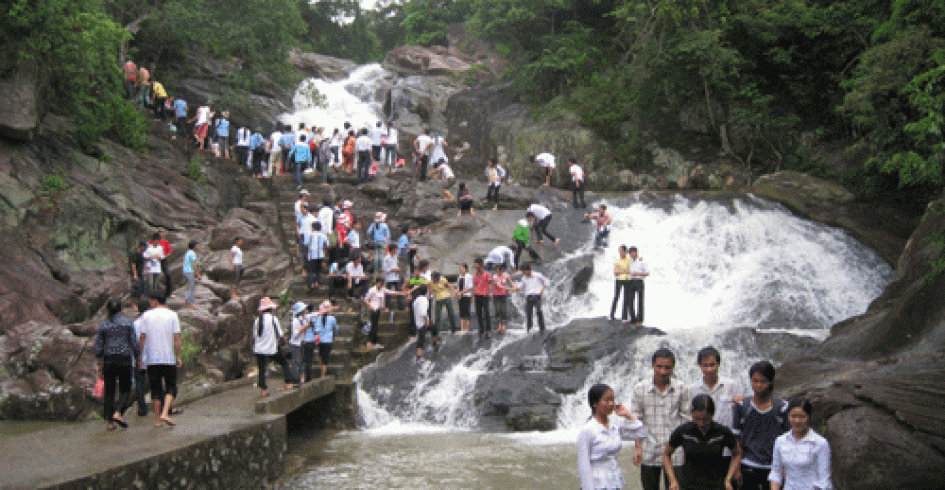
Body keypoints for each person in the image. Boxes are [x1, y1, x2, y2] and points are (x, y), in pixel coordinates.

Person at [631, 348, 691, 490]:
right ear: (653, 365)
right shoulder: (640, 389)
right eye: (659, 366)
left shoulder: (681, 389)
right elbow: (636, 422)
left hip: (674, 453)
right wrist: (638, 448)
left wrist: (687, 450)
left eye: (667, 367)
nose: (663, 371)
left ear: (673, 367)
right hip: (649, 450)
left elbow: (687, 421)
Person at [732, 361, 791, 490]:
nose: (758, 385)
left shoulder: (782, 408)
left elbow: (789, 439)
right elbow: (737, 440)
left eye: (763, 381)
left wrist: (785, 467)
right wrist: (736, 469)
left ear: (771, 381)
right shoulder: (742, 406)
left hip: (774, 468)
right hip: (748, 465)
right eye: (755, 381)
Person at [577, 383, 647, 490]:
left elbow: (642, 433)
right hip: (597, 483)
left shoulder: (615, 425)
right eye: (606, 400)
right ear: (595, 403)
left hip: (614, 480)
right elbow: (584, 465)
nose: (611, 404)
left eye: (612, 400)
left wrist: (628, 415)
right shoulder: (588, 430)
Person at [663, 394, 740, 490]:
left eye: (706, 419)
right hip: (689, 485)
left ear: (712, 415)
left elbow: (737, 454)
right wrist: (672, 480)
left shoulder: (722, 432)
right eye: (697, 419)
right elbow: (666, 454)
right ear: (692, 414)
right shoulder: (684, 431)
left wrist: (728, 479)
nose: (701, 423)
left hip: (716, 485)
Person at [95, 298, 140, 431]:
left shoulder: (103, 325)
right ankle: (118, 412)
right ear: (121, 309)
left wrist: (99, 364)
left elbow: (99, 347)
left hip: (108, 360)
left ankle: (110, 422)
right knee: (126, 389)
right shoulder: (128, 323)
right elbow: (134, 342)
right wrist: (138, 356)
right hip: (124, 359)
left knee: (109, 391)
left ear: (107, 310)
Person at [138, 292, 182, 428]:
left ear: (155, 301)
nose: (150, 303)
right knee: (171, 388)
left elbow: (142, 338)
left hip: (152, 359)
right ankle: (165, 413)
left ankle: (158, 420)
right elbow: (176, 338)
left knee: (155, 389)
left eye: (151, 301)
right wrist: (178, 356)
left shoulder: (146, 316)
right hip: (168, 358)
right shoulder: (172, 315)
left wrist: (140, 356)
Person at [769, 399, 832, 490]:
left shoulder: (820, 443)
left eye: (802, 417)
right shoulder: (780, 441)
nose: (797, 421)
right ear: (788, 416)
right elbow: (776, 472)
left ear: (809, 417)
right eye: (793, 416)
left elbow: (824, 480)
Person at [253, 297, 296, 396]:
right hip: (271, 348)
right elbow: (280, 334)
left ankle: (263, 391)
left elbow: (255, 335)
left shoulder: (257, 320)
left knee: (261, 369)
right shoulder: (273, 319)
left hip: (259, 349)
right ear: (271, 309)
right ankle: (289, 383)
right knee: (284, 363)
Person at [364, 278, 404, 349]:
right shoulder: (372, 290)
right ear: (376, 283)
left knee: (376, 326)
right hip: (373, 309)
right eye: (379, 283)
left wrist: (402, 293)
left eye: (381, 284)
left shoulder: (383, 290)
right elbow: (366, 299)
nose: (380, 285)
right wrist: (371, 306)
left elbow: (391, 292)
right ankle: (370, 342)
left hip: (378, 309)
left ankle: (375, 342)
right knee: (374, 326)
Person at [131, 298, 151, 416]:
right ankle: (162, 405)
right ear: (148, 308)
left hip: (138, 357)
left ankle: (142, 408)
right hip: (152, 356)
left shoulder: (135, 323)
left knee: (139, 383)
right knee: (156, 381)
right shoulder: (152, 322)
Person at [517, 264, 549, 334]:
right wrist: (510, 288)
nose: (523, 273)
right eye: (522, 272)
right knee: (529, 313)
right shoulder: (524, 278)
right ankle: (529, 330)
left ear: (528, 270)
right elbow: (520, 287)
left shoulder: (537, 275)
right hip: (529, 297)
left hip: (537, 296)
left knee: (539, 311)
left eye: (524, 271)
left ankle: (542, 329)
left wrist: (543, 289)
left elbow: (546, 281)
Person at [312, 300, 340, 378]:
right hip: (328, 340)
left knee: (321, 355)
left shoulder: (318, 318)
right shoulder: (332, 318)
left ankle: (322, 370)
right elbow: (335, 329)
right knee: (326, 357)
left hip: (320, 340)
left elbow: (315, 329)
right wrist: (334, 336)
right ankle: (323, 374)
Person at [413, 285, 436, 358]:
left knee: (421, 338)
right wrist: (426, 321)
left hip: (418, 322)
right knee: (422, 338)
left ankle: (419, 355)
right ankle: (434, 344)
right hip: (423, 322)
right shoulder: (424, 300)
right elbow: (423, 312)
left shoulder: (416, 300)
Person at [628, 246, 649, 328]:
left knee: (640, 301)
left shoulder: (642, 262)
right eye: (630, 253)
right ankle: (632, 318)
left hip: (639, 281)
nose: (631, 255)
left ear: (636, 252)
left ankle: (639, 320)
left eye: (633, 253)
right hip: (631, 281)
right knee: (630, 300)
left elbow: (647, 273)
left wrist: (638, 273)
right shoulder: (630, 262)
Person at [305, 222, 329, 290]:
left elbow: (306, 246)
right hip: (320, 255)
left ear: (313, 228)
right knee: (318, 270)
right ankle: (317, 282)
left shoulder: (309, 235)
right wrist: (325, 256)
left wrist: (306, 254)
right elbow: (326, 246)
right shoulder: (323, 235)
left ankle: (311, 283)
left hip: (311, 255)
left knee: (310, 270)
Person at [472, 258, 492, 339]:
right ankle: (481, 329)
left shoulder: (487, 274)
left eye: (476, 264)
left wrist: (489, 293)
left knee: (486, 313)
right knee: (479, 313)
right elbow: (475, 285)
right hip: (477, 296)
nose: (475, 266)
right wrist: (473, 296)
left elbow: (490, 284)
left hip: (484, 296)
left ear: (480, 265)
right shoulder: (475, 275)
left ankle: (488, 330)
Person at [611, 245, 632, 322]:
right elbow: (615, 272)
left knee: (626, 298)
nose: (620, 252)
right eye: (619, 251)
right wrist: (624, 271)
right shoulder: (617, 260)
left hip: (627, 280)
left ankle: (624, 317)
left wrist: (620, 270)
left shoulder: (629, 260)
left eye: (621, 251)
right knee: (616, 296)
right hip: (619, 280)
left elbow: (631, 271)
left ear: (625, 251)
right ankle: (612, 315)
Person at [290, 302, 309, 383]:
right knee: (296, 361)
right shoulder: (295, 321)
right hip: (296, 344)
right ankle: (296, 379)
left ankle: (301, 378)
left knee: (301, 361)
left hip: (301, 343)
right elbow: (295, 334)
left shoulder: (303, 320)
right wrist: (304, 328)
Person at [491, 265, 513, 334]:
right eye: (496, 271)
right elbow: (493, 285)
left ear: (501, 270)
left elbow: (511, 283)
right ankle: (499, 325)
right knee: (497, 310)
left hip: (503, 295)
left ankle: (503, 326)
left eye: (498, 271)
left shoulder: (506, 275)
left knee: (503, 310)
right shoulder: (494, 276)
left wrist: (510, 288)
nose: (497, 272)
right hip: (496, 295)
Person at [152, 229, 173, 299]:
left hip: (163, 259)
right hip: (154, 260)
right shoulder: (152, 242)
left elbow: (169, 252)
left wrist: (163, 257)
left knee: (168, 274)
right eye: (159, 232)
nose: (160, 234)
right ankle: (153, 293)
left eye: (161, 232)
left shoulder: (165, 242)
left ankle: (169, 293)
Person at [382, 244, 404, 310]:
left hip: (396, 277)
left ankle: (401, 306)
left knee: (399, 291)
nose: (396, 250)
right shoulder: (386, 258)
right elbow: (384, 269)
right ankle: (387, 307)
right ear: (392, 249)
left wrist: (398, 269)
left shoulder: (395, 257)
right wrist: (393, 269)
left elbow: (395, 265)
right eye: (395, 249)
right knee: (388, 293)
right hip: (389, 278)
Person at [182, 241, 200, 307]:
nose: (198, 247)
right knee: (192, 287)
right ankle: (190, 303)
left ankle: (186, 300)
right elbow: (194, 264)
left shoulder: (188, 252)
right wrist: (198, 274)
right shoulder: (192, 253)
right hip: (189, 271)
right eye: (197, 245)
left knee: (190, 286)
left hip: (185, 271)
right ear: (194, 246)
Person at [456, 264, 473, 334]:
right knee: (461, 312)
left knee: (467, 311)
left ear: (465, 269)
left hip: (466, 296)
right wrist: (458, 293)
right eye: (460, 268)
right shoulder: (459, 277)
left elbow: (470, 287)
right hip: (460, 296)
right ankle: (462, 328)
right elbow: (458, 286)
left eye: (462, 268)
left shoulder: (469, 276)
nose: (461, 270)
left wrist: (462, 292)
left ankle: (467, 328)